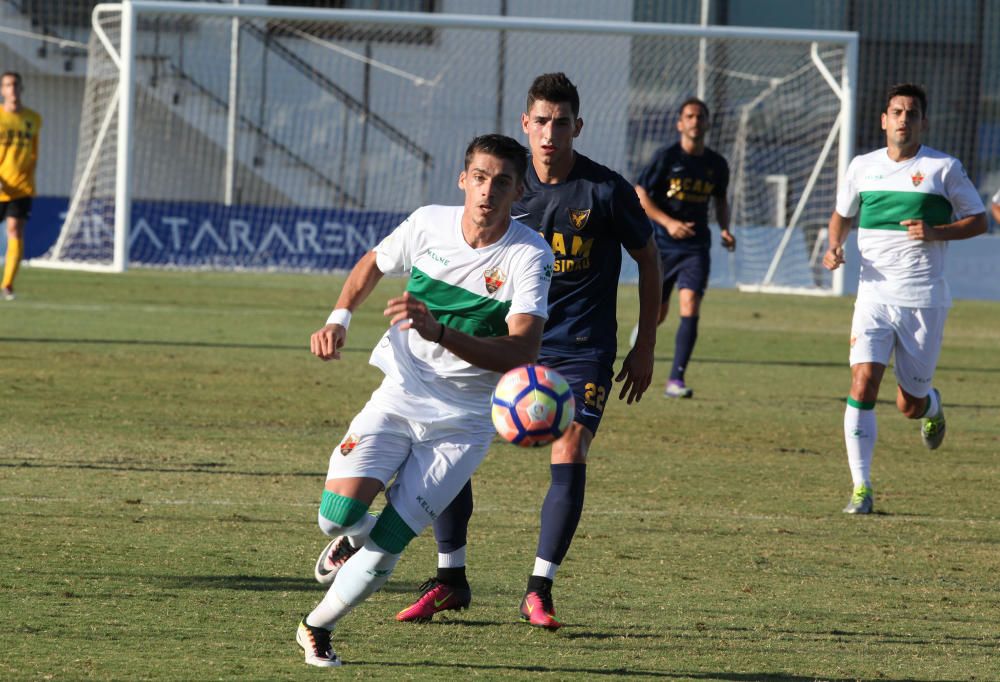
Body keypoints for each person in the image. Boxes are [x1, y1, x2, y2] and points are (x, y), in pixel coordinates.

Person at [316, 72, 661, 630]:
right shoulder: (504, 186)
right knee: (456, 440)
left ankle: (539, 588)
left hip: (576, 348)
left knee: (570, 448)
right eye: (541, 121)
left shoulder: (605, 190)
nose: (551, 133)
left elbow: (648, 259)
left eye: (563, 123)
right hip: (495, 346)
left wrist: (644, 345)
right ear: (526, 125)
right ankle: (450, 578)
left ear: (578, 127)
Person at [296, 133, 554, 667]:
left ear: (519, 191)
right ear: (463, 179)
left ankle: (317, 626)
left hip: (463, 423)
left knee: (390, 540)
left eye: (502, 181)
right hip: (400, 393)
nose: (488, 191)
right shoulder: (428, 223)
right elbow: (373, 261)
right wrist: (338, 318)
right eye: (479, 178)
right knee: (336, 516)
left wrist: (439, 333)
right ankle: (350, 538)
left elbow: (523, 348)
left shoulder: (529, 254)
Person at [822, 83, 986, 515]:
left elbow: (979, 220)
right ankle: (862, 488)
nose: (903, 119)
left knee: (907, 404)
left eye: (911, 113)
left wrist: (937, 232)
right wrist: (834, 245)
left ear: (922, 122)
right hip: (872, 297)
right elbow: (841, 215)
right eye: (896, 112)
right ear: (883, 119)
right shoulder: (862, 167)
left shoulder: (943, 168)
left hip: (922, 300)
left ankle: (930, 402)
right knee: (862, 384)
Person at [633, 97, 734, 398]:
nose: (695, 121)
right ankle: (643, 335)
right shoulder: (666, 157)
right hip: (661, 246)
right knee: (658, 314)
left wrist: (726, 228)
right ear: (680, 123)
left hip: (696, 247)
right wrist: (668, 223)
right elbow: (640, 193)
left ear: (707, 123)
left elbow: (720, 200)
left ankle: (675, 379)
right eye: (689, 116)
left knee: (689, 306)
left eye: (701, 116)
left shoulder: (717, 164)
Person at [0, 71, 41, 301]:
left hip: (21, 187)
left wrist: (29, 174)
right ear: (2, 90)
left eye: (15, 84)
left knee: (15, 229)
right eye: (7, 85)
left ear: (21, 88)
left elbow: (34, 153)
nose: (12, 89)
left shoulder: (32, 119)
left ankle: (7, 284)